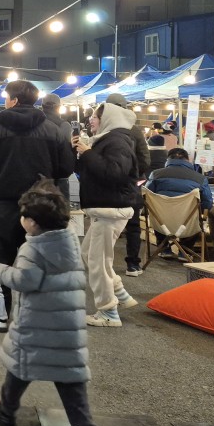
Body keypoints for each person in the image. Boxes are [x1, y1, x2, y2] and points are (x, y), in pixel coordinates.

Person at [0, 179, 101, 426]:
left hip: (36, 327)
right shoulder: (69, 241)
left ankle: (6, 413)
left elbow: (24, 280)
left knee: (18, 370)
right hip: (68, 330)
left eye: (24, 215)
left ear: (34, 223)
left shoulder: (33, 248)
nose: (21, 219)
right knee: (71, 386)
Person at [0, 80, 75, 332]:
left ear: (15, 100)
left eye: (7, 97)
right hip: (41, 206)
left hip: (5, 205)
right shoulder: (52, 129)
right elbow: (66, 168)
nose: (5, 101)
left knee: (0, 262)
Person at [73, 102, 140, 328]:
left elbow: (114, 173)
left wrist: (88, 153)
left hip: (111, 208)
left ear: (108, 118)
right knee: (88, 255)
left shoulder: (117, 141)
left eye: (95, 116)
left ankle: (108, 311)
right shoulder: (109, 139)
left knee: (98, 262)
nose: (91, 119)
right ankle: (120, 293)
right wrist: (83, 154)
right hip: (106, 208)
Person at [105, 93, 151, 279]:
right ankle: (132, 264)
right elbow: (145, 161)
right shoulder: (135, 130)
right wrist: (133, 174)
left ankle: (104, 263)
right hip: (132, 185)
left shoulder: (104, 129)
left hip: (108, 184)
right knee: (132, 225)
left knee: (105, 224)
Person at [144, 147, 213, 259]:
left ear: (168, 159)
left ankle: (164, 248)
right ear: (187, 160)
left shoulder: (156, 174)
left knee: (158, 212)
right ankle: (185, 250)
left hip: (161, 222)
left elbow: (146, 196)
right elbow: (208, 203)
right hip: (187, 223)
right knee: (194, 218)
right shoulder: (200, 178)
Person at [41, 94, 74, 201]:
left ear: (42, 106)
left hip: (38, 177)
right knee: (60, 213)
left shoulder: (35, 123)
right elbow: (66, 153)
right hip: (59, 177)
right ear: (59, 107)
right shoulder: (64, 125)